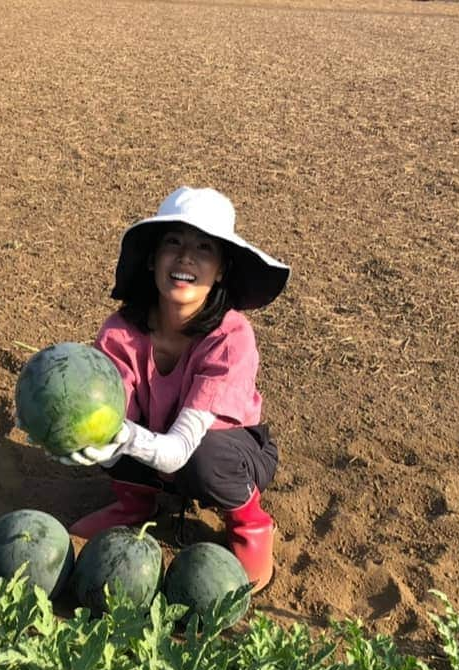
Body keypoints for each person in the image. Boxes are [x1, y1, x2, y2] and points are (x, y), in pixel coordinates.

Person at [58, 186, 290, 592]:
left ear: (221, 269)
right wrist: (66, 433)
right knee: (95, 411)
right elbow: (110, 417)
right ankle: (136, 502)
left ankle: (249, 521)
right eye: (173, 243)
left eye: (204, 248)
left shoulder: (231, 337)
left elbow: (179, 450)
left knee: (204, 458)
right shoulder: (120, 331)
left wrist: (122, 435)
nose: (186, 257)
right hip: (158, 444)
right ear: (152, 259)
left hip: (224, 452)